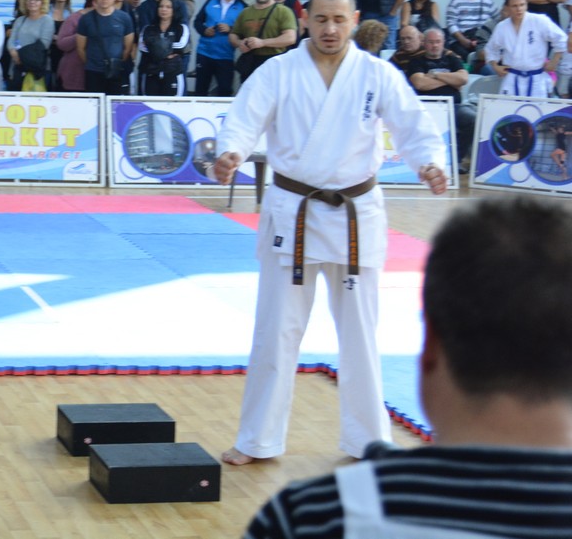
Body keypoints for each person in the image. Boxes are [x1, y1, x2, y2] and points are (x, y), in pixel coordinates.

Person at [212, 0, 448, 465]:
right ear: (306, 20)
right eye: (321, 19)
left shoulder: (376, 74)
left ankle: (368, 440)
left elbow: (413, 126)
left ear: (354, 20)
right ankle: (258, 439)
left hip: (356, 215)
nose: (330, 29)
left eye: (340, 20)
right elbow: (243, 119)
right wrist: (231, 152)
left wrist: (429, 163)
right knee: (275, 331)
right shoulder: (278, 71)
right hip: (293, 211)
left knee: (361, 334)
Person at [243, 194, 572, 539]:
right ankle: (260, 437)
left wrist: (428, 164)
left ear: (429, 345)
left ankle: (361, 434)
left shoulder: (311, 517)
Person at [402, 28, 476, 171]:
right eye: (431, 42)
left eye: (438, 42)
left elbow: (463, 79)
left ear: (443, 42)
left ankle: (456, 160)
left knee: (472, 118)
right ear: (424, 43)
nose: (435, 45)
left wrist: (435, 75)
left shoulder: (452, 59)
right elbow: (420, 83)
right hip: (427, 107)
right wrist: (451, 81)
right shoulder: (416, 61)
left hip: (453, 106)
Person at [485, 0, 568, 98]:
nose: (519, 9)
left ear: (526, 5)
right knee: (508, 107)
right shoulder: (502, 27)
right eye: (514, 6)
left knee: (537, 108)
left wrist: (554, 61)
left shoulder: (539, 21)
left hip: (536, 79)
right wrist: (495, 66)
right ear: (507, 7)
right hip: (512, 78)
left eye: (522, 5)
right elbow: (491, 49)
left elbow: (561, 38)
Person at [75, 0, 135, 95]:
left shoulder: (124, 18)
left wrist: (117, 62)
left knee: (115, 103)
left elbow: (128, 47)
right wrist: (91, 63)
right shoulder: (86, 19)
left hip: (116, 71)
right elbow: (80, 48)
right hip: (93, 71)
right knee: (94, 103)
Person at [231, 0, 297, 81]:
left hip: (274, 61)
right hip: (250, 61)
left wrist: (263, 43)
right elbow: (233, 35)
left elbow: (290, 38)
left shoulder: (284, 11)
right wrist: (240, 43)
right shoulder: (245, 12)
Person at [192, 0, 245, 96]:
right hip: (205, 53)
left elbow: (245, 30)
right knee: (200, 90)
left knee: (225, 91)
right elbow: (197, 21)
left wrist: (230, 29)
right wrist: (204, 30)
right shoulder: (211, 2)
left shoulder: (243, 6)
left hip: (226, 56)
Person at [138, 0, 190, 96]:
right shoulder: (148, 29)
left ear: (174, 10)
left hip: (173, 72)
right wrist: (166, 51)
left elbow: (180, 46)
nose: (164, 9)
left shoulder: (181, 28)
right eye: (161, 6)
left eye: (168, 7)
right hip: (151, 73)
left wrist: (155, 47)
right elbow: (142, 47)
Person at [7, 0, 54, 91]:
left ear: (42, 2)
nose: (32, 2)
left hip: (37, 69)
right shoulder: (20, 20)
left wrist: (21, 56)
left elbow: (44, 44)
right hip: (18, 68)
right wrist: (14, 54)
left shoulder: (47, 20)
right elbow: (11, 41)